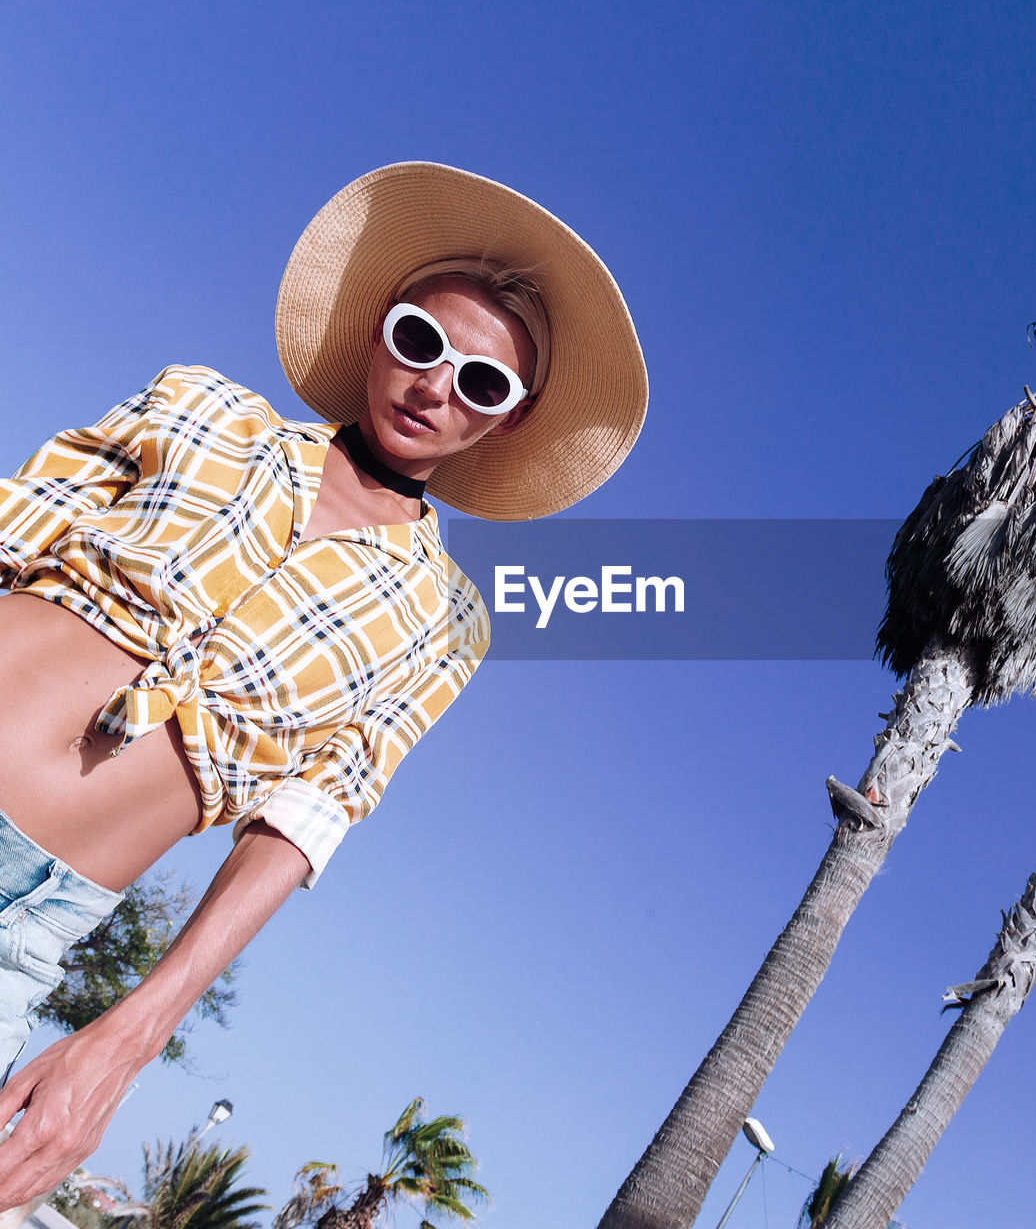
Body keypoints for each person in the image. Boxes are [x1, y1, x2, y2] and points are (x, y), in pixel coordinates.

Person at [0, 161, 647, 1205]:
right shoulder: (201, 407)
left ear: (507, 420)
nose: (437, 384)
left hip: (27, 920)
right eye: (421, 341)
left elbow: (303, 820)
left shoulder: (443, 622)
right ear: (379, 329)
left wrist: (125, 1039)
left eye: (482, 382)